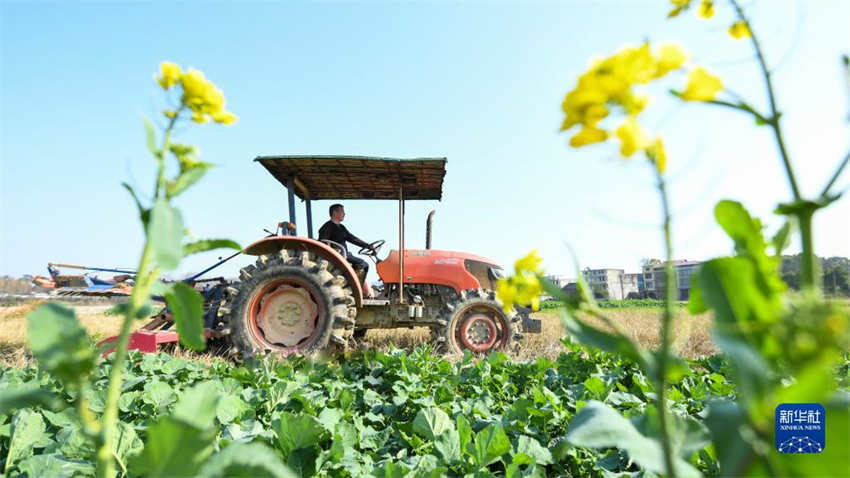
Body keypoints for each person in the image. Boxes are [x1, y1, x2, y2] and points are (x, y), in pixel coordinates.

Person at [318, 204, 375, 295]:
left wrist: (367, 246)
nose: (344, 214)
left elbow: (352, 238)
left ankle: (357, 287)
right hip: (337, 255)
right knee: (363, 264)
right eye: (342, 212)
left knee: (363, 264)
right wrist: (333, 250)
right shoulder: (327, 227)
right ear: (335, 213)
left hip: (345, 253)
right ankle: (355, 289)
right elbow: (322, 242)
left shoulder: (341, 227)